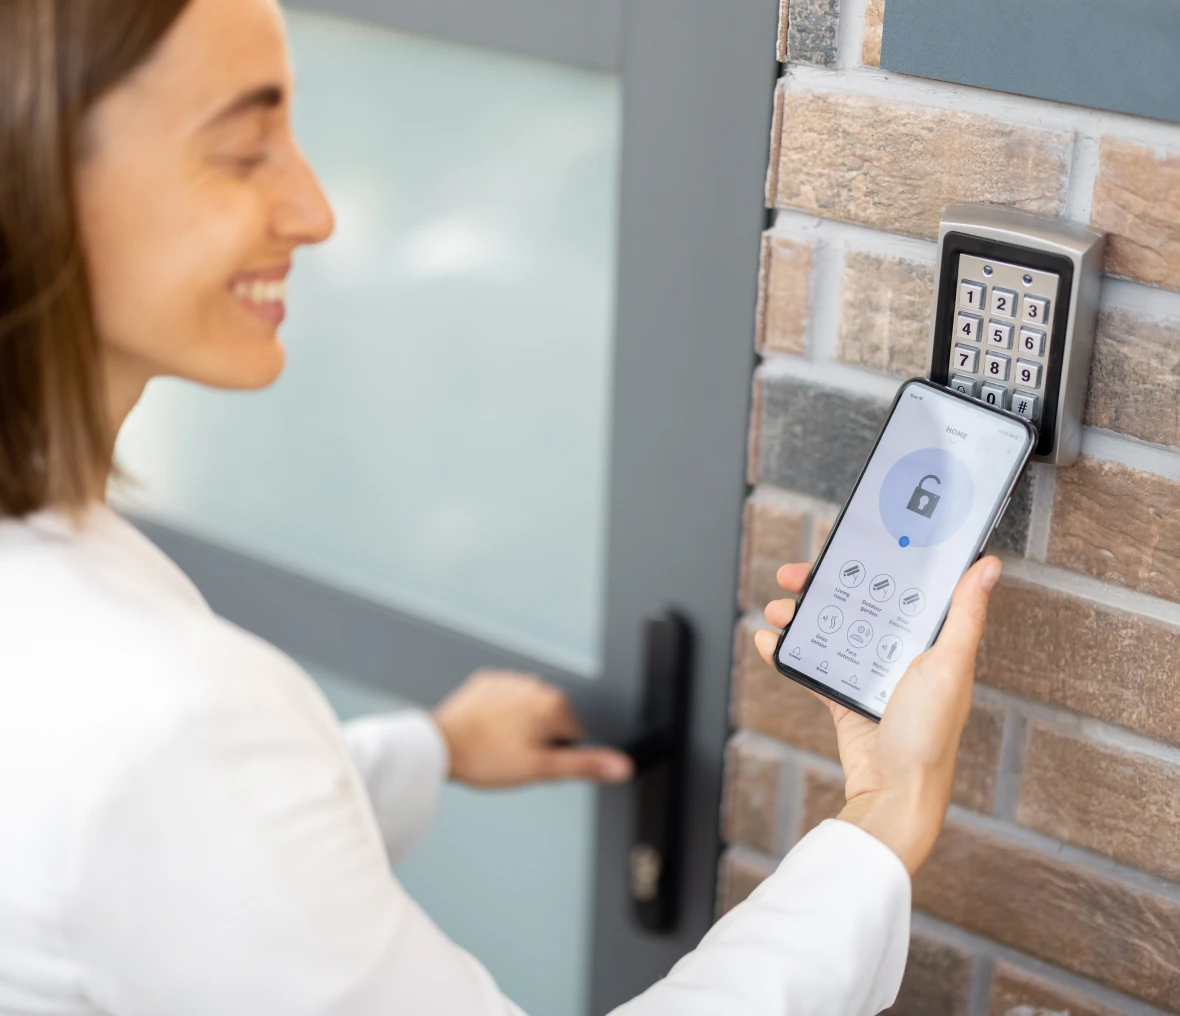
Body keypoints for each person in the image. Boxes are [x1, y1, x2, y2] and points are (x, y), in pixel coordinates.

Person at [0, 0, 1003, 1013]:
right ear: (26, 173)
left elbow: (152, 854)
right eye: (243, 148)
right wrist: (883, 815)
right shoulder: (169, 719)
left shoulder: (75, 619)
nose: (314, 209)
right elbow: (158, 784)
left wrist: (425, 749)